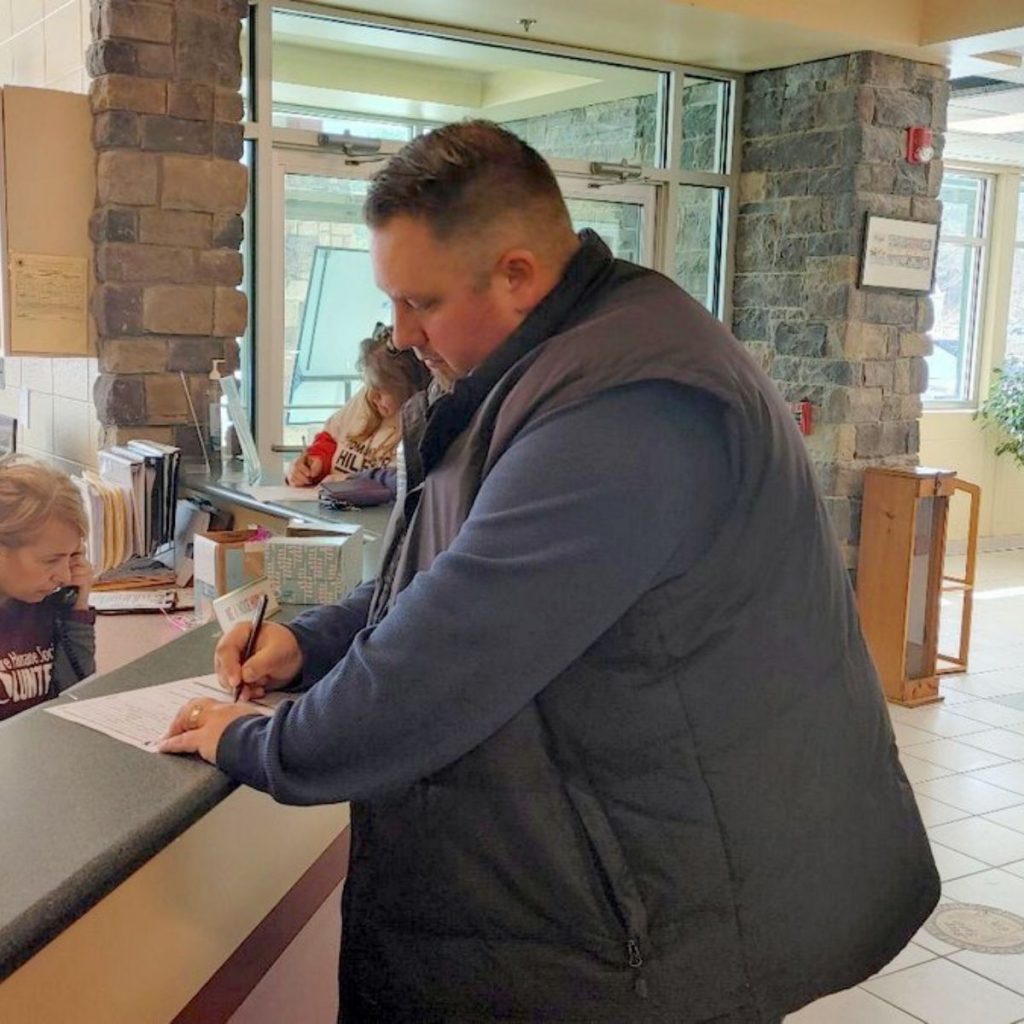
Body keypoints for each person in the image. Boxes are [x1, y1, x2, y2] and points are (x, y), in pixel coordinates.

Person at [162, 121, 939, 1023]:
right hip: (590, 888)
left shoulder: (627, 407)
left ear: (519, 274)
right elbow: (441, 569)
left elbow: (449, 654)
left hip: (645, 925)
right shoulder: (536, 366)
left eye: (421, 303)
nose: (403, 335)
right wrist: (312, 642)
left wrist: (250, 741)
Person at [0, 456, 95, 721]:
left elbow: (75, 699)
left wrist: (76, 610)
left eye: (72, 556)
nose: (65, 576)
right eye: (51, 560)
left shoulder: (45, 606)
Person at [286, 324, 432, 488]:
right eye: (369, 385)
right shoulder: (366, 399)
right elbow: (331, 439)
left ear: (409, 391)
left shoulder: (420, 429)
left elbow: (402, 486)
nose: (371, 396)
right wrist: (314, 462)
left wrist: (350, 484)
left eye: (382, 390)